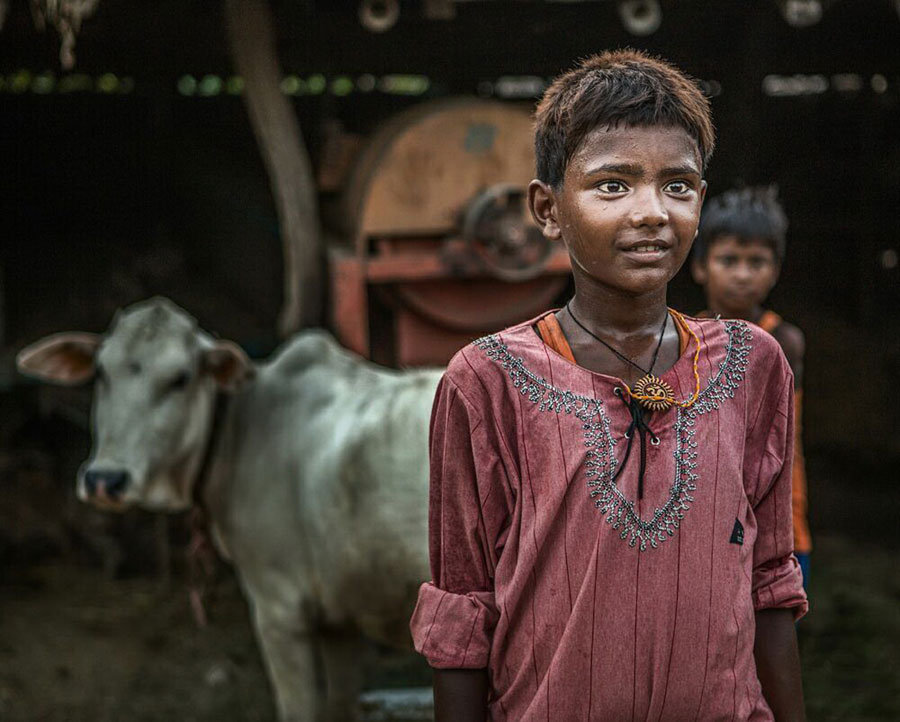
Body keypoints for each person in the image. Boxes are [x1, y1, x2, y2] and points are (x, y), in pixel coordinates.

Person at [410, 50, 807, 721]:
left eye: (677, 187)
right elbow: (462, 612)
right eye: (612, 186)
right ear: (548, 208)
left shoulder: (753, 364)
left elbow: (770, 584)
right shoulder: (488, 381)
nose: (652, 212)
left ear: (700, 204)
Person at [691, 186, 812, 590]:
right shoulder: (686, 339)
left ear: (775, 269)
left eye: (756, 262)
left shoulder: (784, 342)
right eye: (729, 260)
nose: (742, 274)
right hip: (703, 515)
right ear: (700, 266)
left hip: (778, 517)